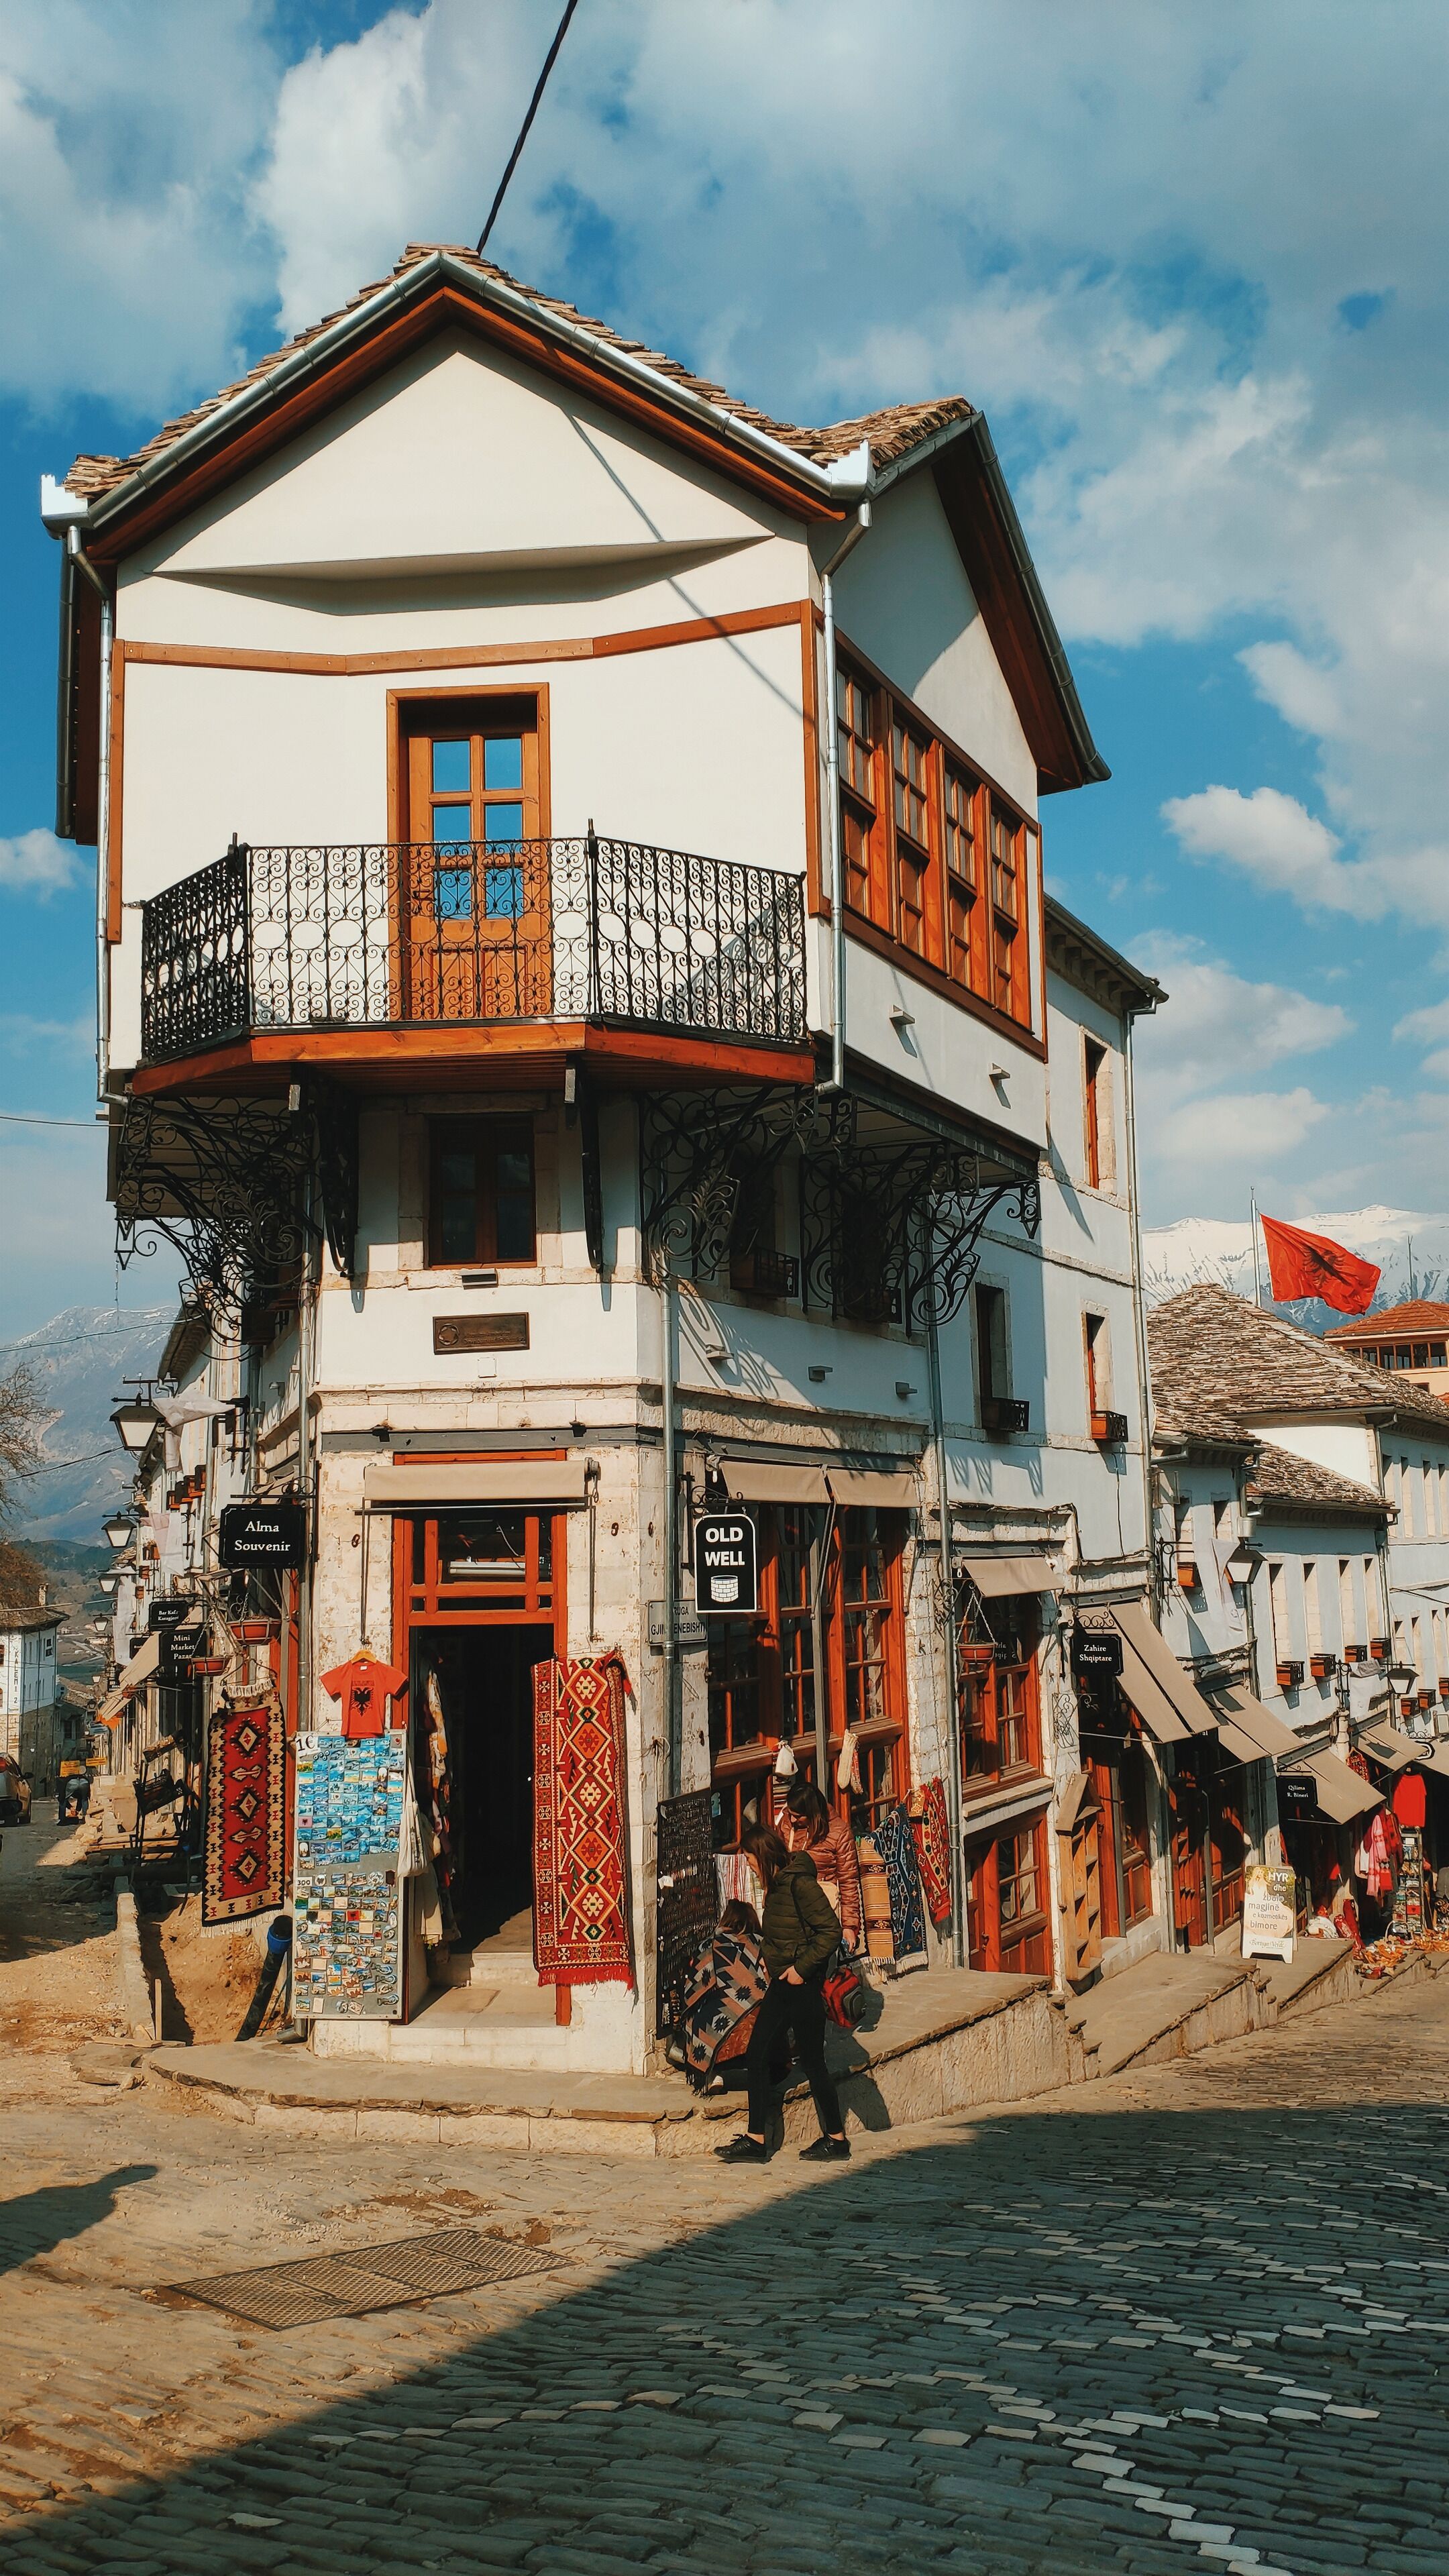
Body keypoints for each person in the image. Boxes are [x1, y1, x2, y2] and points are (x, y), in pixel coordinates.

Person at [716, 1824, 849, 2165]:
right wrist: (768, 1959)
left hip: (801, 1985)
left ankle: (836, 2139)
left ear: (762, 1855)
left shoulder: (799, 1884)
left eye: (749, 1860)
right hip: (782, 1982)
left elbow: (830, 1932)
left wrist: (799, 1969)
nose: (748, 1867)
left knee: (813, 2062)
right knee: (759, 2053)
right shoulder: (775, 1887)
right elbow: (782, 1933)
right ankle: (756, 2139)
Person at [672, 1899, 771, 2092]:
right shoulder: (762, 1945)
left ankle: (711, 2073)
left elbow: (693, 1990)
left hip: (724, 2033)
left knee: (697, 2015)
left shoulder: (710, 1945)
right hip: (765, 2028)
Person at [780, 1779, 862, 1950]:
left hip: (822, 1911)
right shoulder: (786, 1823)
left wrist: (849, 1926)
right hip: (789, 1910)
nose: (792, 1820)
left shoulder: (839, 1832)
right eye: (790, 1813)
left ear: (812, 1813)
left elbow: (848, 1881)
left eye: (798, 1816)